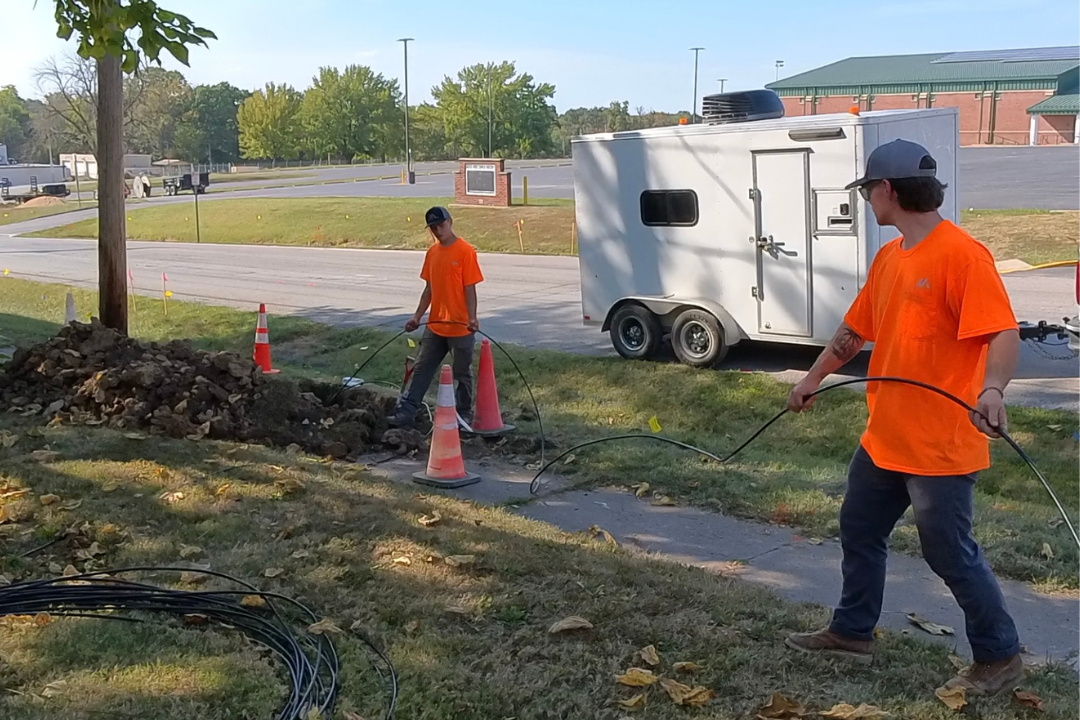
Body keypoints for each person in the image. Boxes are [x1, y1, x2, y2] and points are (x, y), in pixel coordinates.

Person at [783, 139, 1023, 696]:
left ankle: (1000, 654)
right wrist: (812, 378)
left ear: (887, 190)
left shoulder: (962, 255)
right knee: (859, 529)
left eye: (868, 190)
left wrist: (992, 389)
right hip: (884, 437)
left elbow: (1003, 333)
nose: (866, 199)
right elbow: (855, 330)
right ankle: (852, 632)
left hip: (939, 446)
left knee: (949, 553)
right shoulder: (891, 257)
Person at [388, 206, 484, 429]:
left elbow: (470, 289)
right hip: (435, 325)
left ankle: (463, 415)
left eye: (441, 225)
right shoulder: (432, 253)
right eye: (433, 227)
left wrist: (472, 318)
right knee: (422, 368)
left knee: (462, 373)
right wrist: (417, 317)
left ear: (450, 222)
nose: (438, 231)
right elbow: (429, 289)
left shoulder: (465, 251)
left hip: (460, 327)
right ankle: (407, 412)